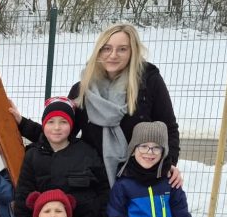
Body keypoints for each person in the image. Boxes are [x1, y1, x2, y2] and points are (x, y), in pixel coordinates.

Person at [14, 25, 182, 189]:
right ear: (99, 51)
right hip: (93, 183)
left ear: (133, 52)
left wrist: (170, 164)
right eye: (107, 48)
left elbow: (169, 128)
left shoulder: (149, 83)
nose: (113, 55)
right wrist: (22, 123)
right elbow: (60, 134)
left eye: (122, 49)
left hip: (138, 182)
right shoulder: (83, 90)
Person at [11, 96, 110, 217]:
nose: (56, 127)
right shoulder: (33, 155)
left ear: (71, 125)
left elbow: (103, 189)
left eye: (63, 122)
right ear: (44, 124)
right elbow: (23, 193)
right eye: (51, 122)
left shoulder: (86, 152)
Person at [106, 121, 194, 217]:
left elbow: (180, 213)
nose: (149, 152)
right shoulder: (124, 184)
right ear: (133, 149)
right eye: (143, 146)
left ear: (163, 151)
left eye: (156, 147)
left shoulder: (169, 181)